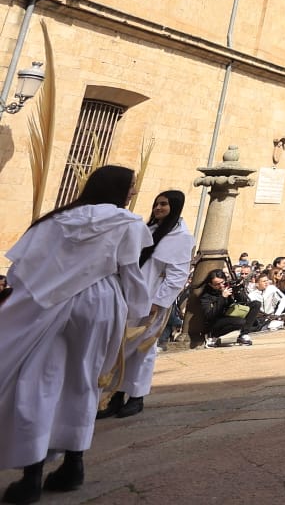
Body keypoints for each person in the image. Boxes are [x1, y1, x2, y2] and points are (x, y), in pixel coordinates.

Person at [0, 166, 152, 504]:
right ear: (115, 188)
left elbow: (20, 269)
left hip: (48, 305)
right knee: (84, 380)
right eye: (130, 187)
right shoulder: (127, 222)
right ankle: (73, 464)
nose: (132, 193)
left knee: (38, 382)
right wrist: (140, 311)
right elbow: (130, 271)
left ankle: (32, 476)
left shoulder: (54, 221)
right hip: (101, 304)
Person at [98, 190, 193, 421]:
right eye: (156, 204)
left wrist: (157, 302)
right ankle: (115, 395)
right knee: (119, 347)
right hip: (129, 297)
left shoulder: (181, 238)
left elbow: (177, 275)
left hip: (152, 300)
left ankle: (137, 396)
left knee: (142, 348)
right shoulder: (147, 230)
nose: (158, 208)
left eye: (164, 204)